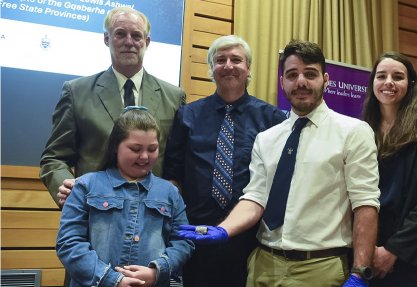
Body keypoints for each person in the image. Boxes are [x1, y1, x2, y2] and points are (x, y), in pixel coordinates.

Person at [177, 40, 380, 287]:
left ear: (326, 79)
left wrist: (360, 272)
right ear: (282, 82)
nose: (301, 82)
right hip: (263, 266)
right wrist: (224, 229)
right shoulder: (267, 137)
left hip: (319, 268)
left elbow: (365, 204)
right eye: (292, 75)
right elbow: (255, 197)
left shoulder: (353, 132)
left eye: (310, 74)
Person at [163, 35, 287, 287]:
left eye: (236, 60)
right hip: (197, 235)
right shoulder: (188, 116)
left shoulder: (271, 118)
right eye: (221, 60)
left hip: (250, 238)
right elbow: (173, 174)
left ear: (248, 68)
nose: (228, 65)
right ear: (212, 69)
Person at [40, 6, 185, 208]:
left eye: (136, 36)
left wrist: (175, 185)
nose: (129, 42)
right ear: (107, 39)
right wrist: (65, 186)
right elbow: (53, 158)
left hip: (154, 216)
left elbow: (178, 160)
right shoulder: (77, 92)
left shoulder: (174, 97)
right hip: (92, 212)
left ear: (147, 42)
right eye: (120, 34)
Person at [56, 107, 194, 287]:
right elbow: (69, 243)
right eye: (135, 149)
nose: (144, 156)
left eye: (152, 149)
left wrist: (157, 270)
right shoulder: (85, 186)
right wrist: (111, 279)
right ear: (115, 147)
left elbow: (184, 241)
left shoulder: (170, 192)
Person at [362, 52, 417, 287]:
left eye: (397, 76)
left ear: (409, 85)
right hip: (364, 252)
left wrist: (392, 250)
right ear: (373, 84)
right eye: (381, 76)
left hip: (413, 257)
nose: (388, 82)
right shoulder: (360, 130)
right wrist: (366, 248)